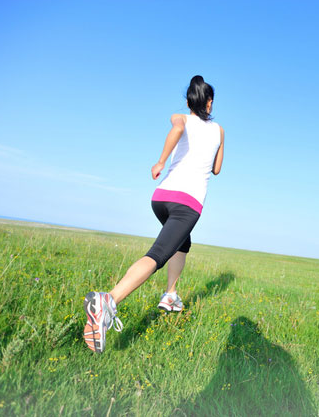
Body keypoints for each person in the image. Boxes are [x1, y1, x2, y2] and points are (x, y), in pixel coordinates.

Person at [83, 75, 225, 353]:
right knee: (158, 254)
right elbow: (217, 169)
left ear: (188, 102)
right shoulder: (219, 130)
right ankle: (107, 301)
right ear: (210, 103)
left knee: (182, 243)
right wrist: (169, 157)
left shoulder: (180, 117)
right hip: (188, 204)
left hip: (162, 197)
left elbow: (177, 127)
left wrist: (162, 161)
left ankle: (170, 295)